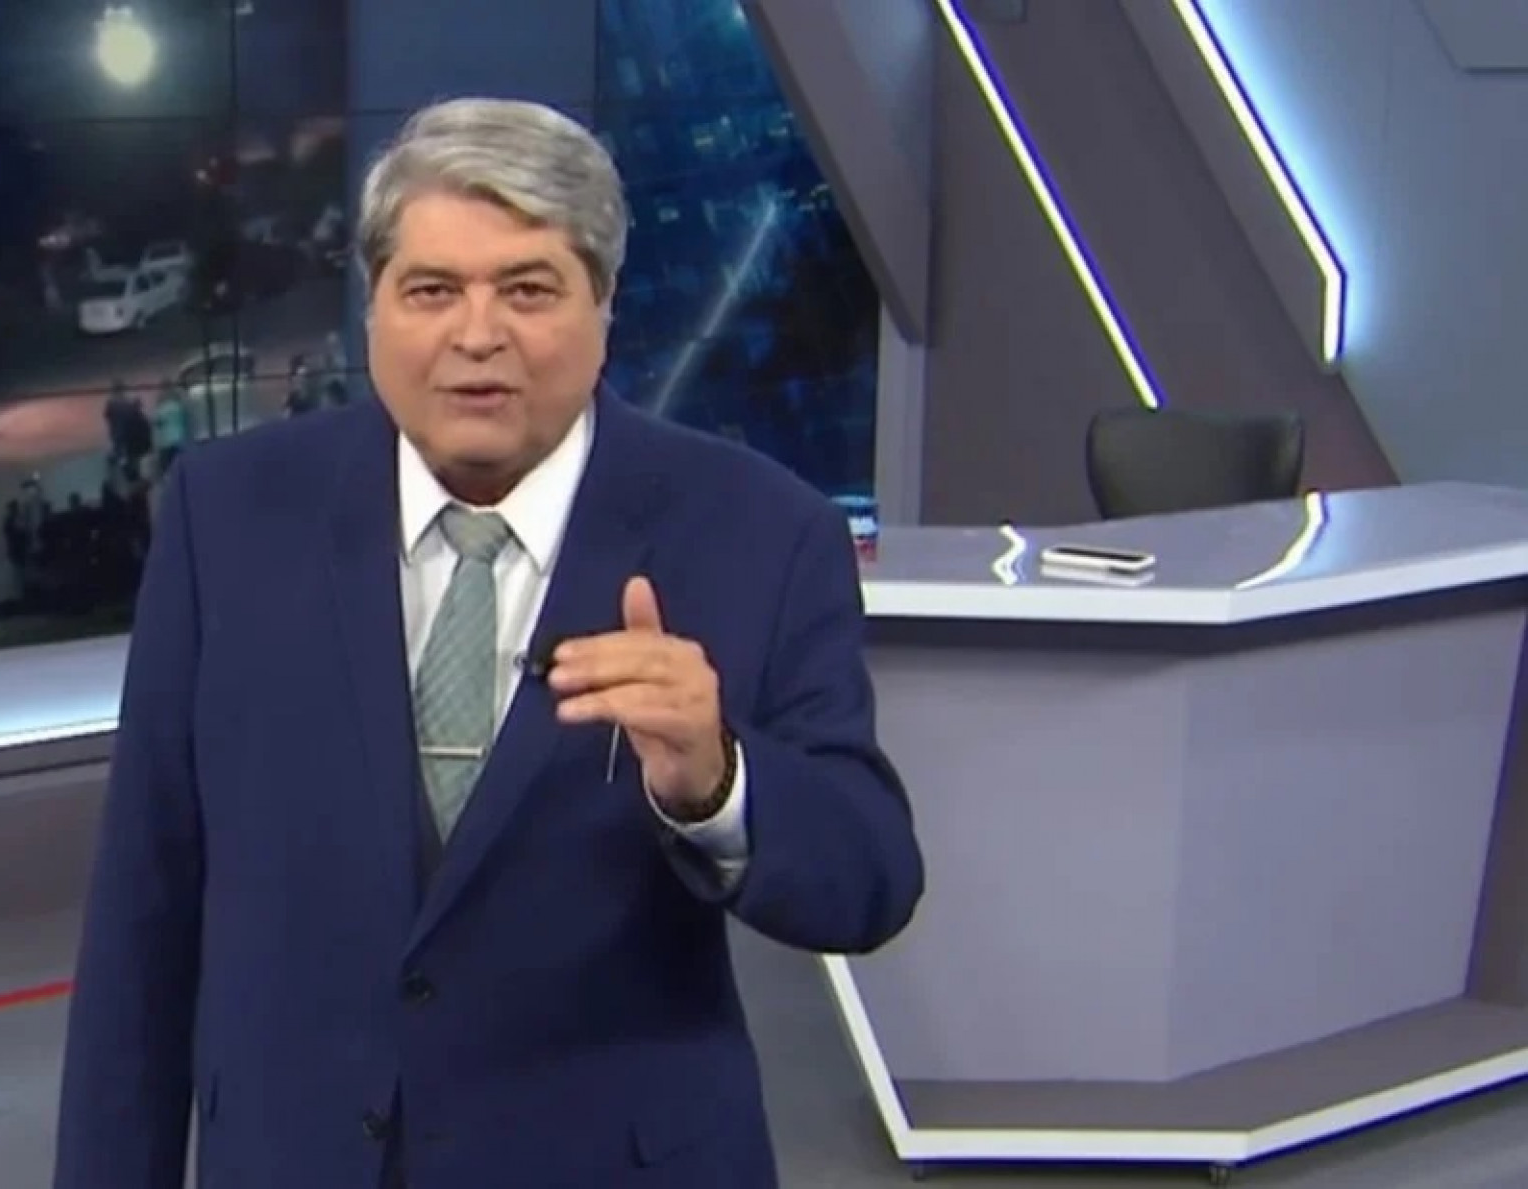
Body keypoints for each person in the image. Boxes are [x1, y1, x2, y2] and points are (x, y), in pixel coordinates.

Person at [52, 96, 925, 1189]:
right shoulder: (226, 517)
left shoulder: (760, 531)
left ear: (604, 304)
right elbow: (144, 911)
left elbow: (869, 879)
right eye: (431, 290)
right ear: (373, 306)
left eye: (528, 288)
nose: (476, 335)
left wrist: (718, 781)